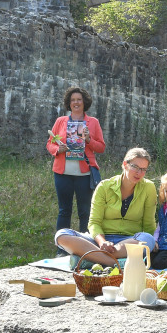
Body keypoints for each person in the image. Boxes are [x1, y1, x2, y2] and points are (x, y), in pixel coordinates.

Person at [55, 148, 157, 268]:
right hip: (100, 241)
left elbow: (149, 224)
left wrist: (152, 242)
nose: (139, 173)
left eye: (143, 169)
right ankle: (114, 263)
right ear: (125, 164)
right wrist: (102, 242)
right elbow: (94, 222)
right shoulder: (104, 187)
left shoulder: (149, 187)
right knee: (61, 235)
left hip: (129, 241)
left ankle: (93, 259)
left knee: (147, 239)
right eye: (135, 167)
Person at [46, 87, 105, 244]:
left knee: (85, 212)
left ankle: (85, 248)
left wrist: (88, 140)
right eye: (73, 100)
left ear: (84, 102)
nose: (76, 102)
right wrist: (58, 149)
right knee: (64, 211)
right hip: (62, 173)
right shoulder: (60, 121)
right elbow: (50, 144)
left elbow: (101, 147)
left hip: (84, 174)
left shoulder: (93, 122)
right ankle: (62, 247)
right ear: (69, 103)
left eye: (79, 99)